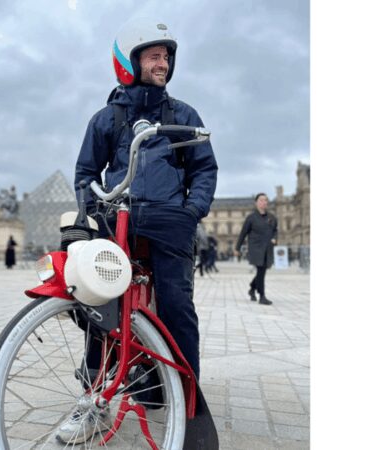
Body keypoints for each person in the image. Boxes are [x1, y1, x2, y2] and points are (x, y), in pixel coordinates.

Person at [66, 17, 218, 444]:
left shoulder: (184, 115)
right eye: (154, 55)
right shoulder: (106, 119)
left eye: (167, 56)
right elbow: (85, 172)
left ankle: (187, 401)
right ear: (130, 62)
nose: (163, 63)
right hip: (120, 221)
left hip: (171, 221)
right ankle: (93, 396)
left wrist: (192, 210)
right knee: (100, 306)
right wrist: (93, 212)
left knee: (177, 308)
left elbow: (204, 168)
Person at [235, 193, 278, 305]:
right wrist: (237, 248)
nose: (264, 202)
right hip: (256, 248)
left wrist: (274, 238)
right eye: (261, 200)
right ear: (256, 202)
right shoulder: (251, 218)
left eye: (266, 200)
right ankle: (262, 296)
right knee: (260, 270)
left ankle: (252, 288)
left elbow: (275, 231)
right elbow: (243, 233)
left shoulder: (272, 217)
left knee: (262, 271)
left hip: (267, 248)